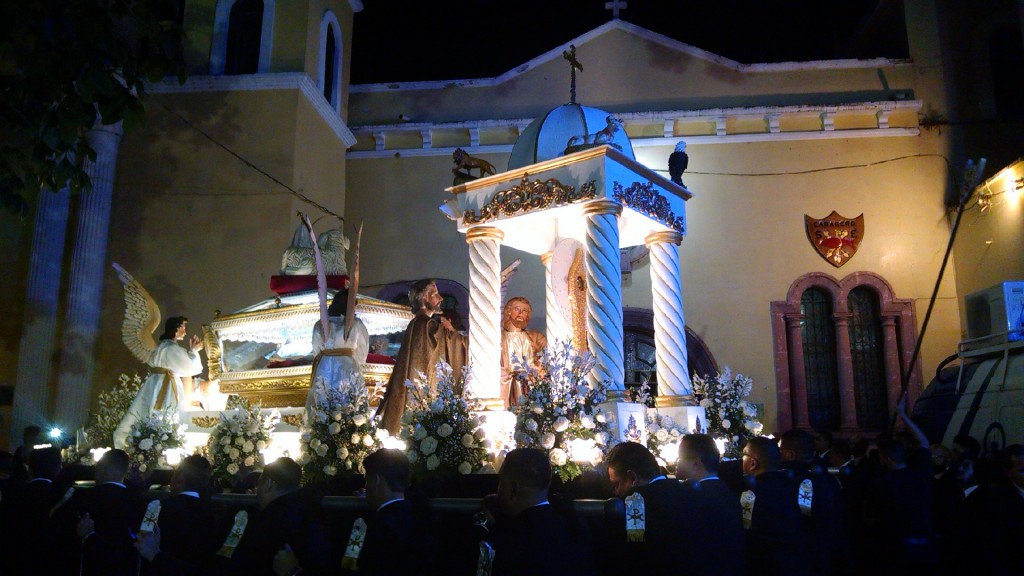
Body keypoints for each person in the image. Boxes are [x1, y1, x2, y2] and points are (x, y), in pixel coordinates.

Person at [483, 448, 595, 576]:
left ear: (514, 489)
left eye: (501, 483)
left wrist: (484, 522)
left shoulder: (512, 539)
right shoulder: (576, 527)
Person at [376, 280, 466, 434]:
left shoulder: (419, 323)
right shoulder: (426, 325)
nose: (440, 298)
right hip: (422, 389)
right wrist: (462, 339)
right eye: (435, 294)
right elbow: (447, 343)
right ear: (424, 298)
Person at [113, 316, 203, 449]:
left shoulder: (163, 347)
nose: (185, 331)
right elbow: (192, 368)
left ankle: (151, 443)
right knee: (167, 415)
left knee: (148, 411)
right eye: (183, 327)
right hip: (167, 385)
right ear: (176, 329)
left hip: (154, 384)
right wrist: (194, 351)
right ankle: (162, 444)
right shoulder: (172, 349)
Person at [604, 441, 693, 573]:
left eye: (616, 483)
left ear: (632, 478)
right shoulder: (687, 491)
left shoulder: (635, 503)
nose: (616, 491)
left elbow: (635, 553)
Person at [675, 433, 745, 576]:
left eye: (680, 458)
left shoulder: (692, 498)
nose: (677, 463)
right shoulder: (730, 492)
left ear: (696, 463)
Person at [304, 288, 370, 415]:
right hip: (348, 365)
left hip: (325, 366)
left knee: (324, 400)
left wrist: (326, 357)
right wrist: (357, 362)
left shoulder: (320, 324)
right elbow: (363, 349)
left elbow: (316, 349)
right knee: (349, 402)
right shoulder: (356, 324)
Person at [500, 297, 547, 407]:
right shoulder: (498, 337)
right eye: (517, 309)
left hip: (529, 384)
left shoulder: (535, 337)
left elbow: (550, 352)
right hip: (505, 385)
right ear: (508, 311)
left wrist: (539, 367)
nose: (521, 313)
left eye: (525, 311)